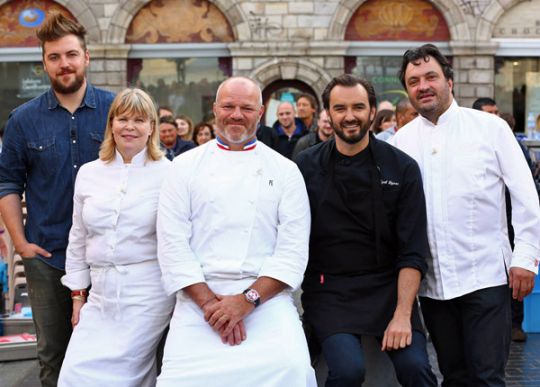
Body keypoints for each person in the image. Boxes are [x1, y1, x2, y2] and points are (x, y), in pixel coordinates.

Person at [391, 43, 540, 386]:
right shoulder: (402, 142)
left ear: (449, 81)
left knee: (487, 376)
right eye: (414, 81)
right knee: (454, 376)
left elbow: (525, 196)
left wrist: (526, 258)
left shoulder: (491, 129)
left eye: (431, 76)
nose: (423, 86)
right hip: (434, 285)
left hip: (485, 276)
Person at [156, 76, 316, 386]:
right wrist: (212, 306)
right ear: (214, 109)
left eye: (246, 107)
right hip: (198, 300)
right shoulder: (184, 167)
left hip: (265, 301)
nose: (236, 114)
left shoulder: (284, 171)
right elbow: (172, 244)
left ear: (260, 112)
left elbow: (292, 251)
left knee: (292, 369)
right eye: (228, 106)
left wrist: (245, 302)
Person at [296, 74, 437, 387]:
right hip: (329, 291)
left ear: (372, 111)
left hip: (389, 291)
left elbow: (413, 252)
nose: (350, 116)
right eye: (340, 108)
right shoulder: (305, 167)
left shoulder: (402, 167)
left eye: (358, 107)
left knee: (417, 370)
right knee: (348, 371)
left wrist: (402, 315)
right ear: (328, 114)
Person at [0, 13, 114, 386]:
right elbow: (7, 184)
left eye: (70, 54)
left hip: (109, 257)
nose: (64, 64)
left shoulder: (117, 111)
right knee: (54, 357)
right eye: (54, 57)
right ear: (44, 62)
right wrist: (21, 244)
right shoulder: (23, 120)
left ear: (86, 57)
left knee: (112, 353)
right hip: (49, 258)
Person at [58, 88, 174, 386]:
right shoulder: (88, 173)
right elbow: (78, 237)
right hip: (99, 293)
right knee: (74, 373)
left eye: (139, 120)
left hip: (147, 294)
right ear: (111, 124)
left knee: (123, 376)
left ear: (151, 127)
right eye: (122, 119)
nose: (130, 127)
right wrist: (77, 296)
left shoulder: (170, 174)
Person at [476, 104, 535, 343]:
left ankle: (514, 324)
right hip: (484, 227)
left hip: (510, 221)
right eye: (489, 113)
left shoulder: (512, 143)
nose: (495, 118)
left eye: (496, 113)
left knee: (514, 274)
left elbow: (525, 189)